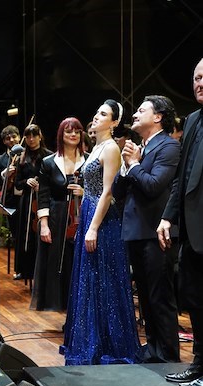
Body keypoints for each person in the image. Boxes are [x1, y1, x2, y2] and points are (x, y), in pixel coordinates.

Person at [63, 99, 140, 365]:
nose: (96, 117)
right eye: (97, 112)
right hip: (89, 212)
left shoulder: (110, 149)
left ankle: (109, 343)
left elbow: (108, 192)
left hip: (103, 220)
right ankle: (90, 339)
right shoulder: (96, 147)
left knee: (103, 279)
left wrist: (93, 227)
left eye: (103, 114)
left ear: (115, 122)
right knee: (90, 279)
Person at [113, 95, 181, 364]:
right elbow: (119, 192)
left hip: (157, 233)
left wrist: (134, 164)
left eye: (142, 110)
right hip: (135, 230)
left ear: (158, 117)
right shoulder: (138, 148)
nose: (135, 114)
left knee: (160, 296)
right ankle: (152, 348)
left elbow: (154, 185)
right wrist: (123, 165)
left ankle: (167, 355)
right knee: (145, 295)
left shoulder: (169, 147)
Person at [159, 58, 203, 386]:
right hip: (192, 230)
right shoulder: (191, 121)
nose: (199, 83)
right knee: (195, 300)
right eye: (196, 77)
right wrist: (167, 217)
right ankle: (199, 366)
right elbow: (180, 178)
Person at [31, 117, 87, 311]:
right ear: (61, 135)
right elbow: (44, 196)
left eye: (77, 131)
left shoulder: (90, 160)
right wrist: (44, 225)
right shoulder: (48, 162)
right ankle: (62, 306)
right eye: (69, 131)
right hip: (57, 217)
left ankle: (80, 308)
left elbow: (101, 190)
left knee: (79, 263)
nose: (73, 135)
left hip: (83, 216)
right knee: (58, 263)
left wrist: (84, 193)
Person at [13, 123, 52, 281]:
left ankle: (42, 270)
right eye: (28, 136)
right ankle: (25, 270)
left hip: (43, 199)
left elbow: (52, 180)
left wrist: (41, 186)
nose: (31, 139)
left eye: (34, 135)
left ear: (40, 136)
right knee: (25, 235)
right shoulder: (22, 158)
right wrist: (26, 181)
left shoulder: (49, 156)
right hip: (27, 200)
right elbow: (17, 183)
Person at [0, 125, 21, 242]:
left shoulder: (26, 155)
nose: (12, 140)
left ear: (19, 137)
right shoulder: (1, 159)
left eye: (14, 136)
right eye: (8, 138)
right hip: (11, 201)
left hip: (27, 199)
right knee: (15, 235)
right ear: (4, 141)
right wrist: (4, 174)